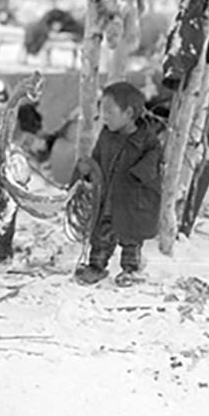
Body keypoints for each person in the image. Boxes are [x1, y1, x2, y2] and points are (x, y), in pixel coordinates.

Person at [73, 82, 163, 287]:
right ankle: (96, 266)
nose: (103, 116)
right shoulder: (106, 136)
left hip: (132, 201)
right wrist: (87, 169)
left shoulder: (147, 140)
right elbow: (97, 159)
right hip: (109, 199)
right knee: (101, 235)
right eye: (102, 111)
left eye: (109, 112)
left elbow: (153, 161)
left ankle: (130, 270)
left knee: (131, 239)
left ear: (129, 113)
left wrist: (137, 175)